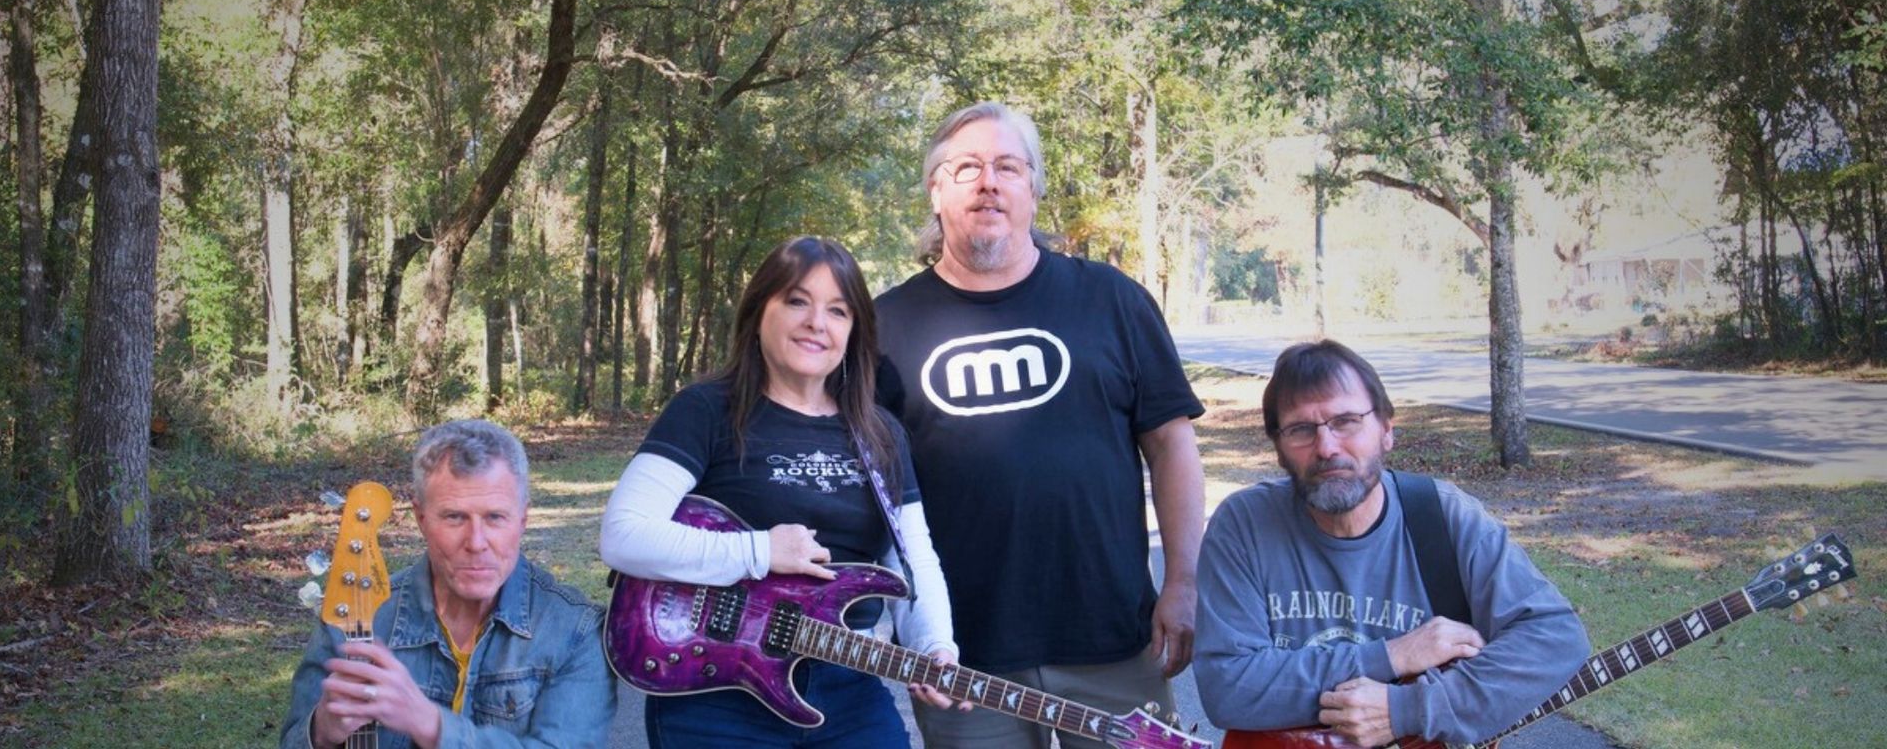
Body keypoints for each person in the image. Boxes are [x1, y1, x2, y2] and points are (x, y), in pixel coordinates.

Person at [874, 101, 1206, 748]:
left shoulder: (1114, 301)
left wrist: (1183, 583)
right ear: (936, 190)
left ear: (1033, 188)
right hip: (964, 660)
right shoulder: (884, 329)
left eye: (1007, 166)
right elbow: (870, 491)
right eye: (966, 167)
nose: (988, 182)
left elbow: (1172, 446)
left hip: (1112, 642)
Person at [598, 236, 963, 749]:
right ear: (759, 310)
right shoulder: (706, 410)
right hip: (716, 689)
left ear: (854, 331)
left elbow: (913, 558)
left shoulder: (880, 432)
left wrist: (933, 644)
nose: (818, 322)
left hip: (847, 686)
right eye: (797, 301)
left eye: (838, 311)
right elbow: (623, 535)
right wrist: (760, 550)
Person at [1193, 340, 1590, 748]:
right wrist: (1393, 656)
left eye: (1346, 421)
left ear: (1386, 430)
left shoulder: (1443, 518)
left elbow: (1554, 637)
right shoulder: (1245, 527)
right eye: (1300, 429)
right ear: (1278, 450)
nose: (1326, 447)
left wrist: (1408, 710)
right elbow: (1227, 687)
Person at [281, 419, 615, 749]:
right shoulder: (354, 618)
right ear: (421, 518)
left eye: (495, 517)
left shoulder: (575, 631)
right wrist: (320, 731)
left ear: (523, 520)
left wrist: (430, 724)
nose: (476, 542)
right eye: (455, 517)